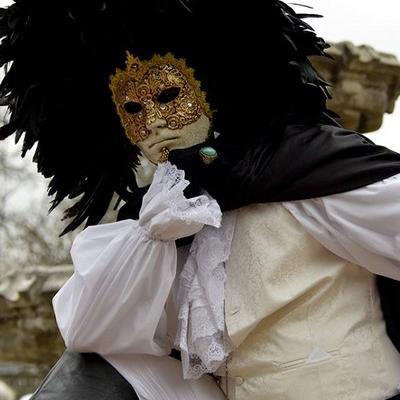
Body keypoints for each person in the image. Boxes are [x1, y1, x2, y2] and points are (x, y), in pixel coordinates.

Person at [2, 1, 400, 399]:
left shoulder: (305, 168)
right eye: (133, 109)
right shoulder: (160, 218)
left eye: (168, 94)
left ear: (212, 90)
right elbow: (88, 331)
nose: (153, 121)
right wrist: (152, 235)